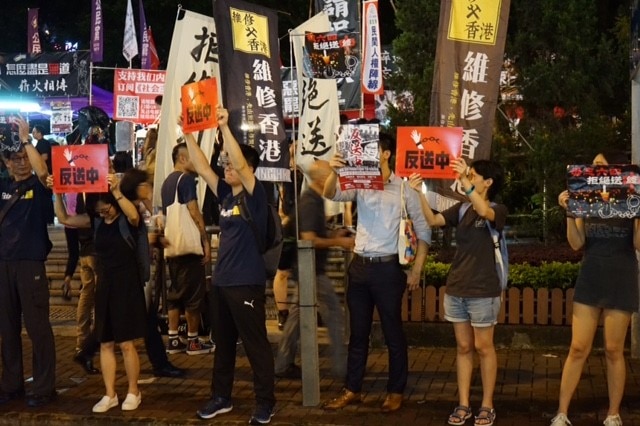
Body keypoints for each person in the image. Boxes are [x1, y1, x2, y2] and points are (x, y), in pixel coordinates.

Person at [322, 132, 431, 413]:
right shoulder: (360, 182)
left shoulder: (405, 189)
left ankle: (395, 391)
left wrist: (416, 270)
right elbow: (330, 193)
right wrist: (334, 172)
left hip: (388, 269)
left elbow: (424, 231)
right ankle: (352, 389)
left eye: (375, 151)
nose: (367, 156)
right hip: (358, 266)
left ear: (386, 154)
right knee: (357, 334)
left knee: (393, 333)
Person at [184, 107, 276, 424]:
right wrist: (187, 132)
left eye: (231, 164)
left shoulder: (255, 195)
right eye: (224, 163)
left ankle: (266, 402)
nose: (225, 167)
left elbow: (237, 161)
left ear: (248, 168)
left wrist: (225, 128)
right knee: (222, 346)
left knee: (255, 346)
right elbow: (200, 166)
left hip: (246, 283)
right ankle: (220, 397)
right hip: (222, 283)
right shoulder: (225, 195)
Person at [408, 158, 506, 426]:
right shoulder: (461, 209)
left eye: (473, 175)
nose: (467, 178)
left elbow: (485, 212)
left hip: (484, 289)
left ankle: (487, 405)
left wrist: (465, 184)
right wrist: (420, 193)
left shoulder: (497, 209)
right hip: (457, 288)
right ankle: (463, 404)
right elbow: (432, 220)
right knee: (463, 347)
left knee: (483, 347)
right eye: (468, 174)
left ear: (488, 183)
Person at [552, 153, 639, 426]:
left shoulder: (629, 198)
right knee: (578, 347)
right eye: (594, 167)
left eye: (603, 167)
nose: (597, 170)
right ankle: (562, 413)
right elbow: (576, 243)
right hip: (591, 275)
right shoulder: (585, 200)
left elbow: (638, 243)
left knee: (614, 350)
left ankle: (613, 414)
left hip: (621, 276)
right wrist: (569, 211)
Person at [274, 161, 354, 379]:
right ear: (321, 179)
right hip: (311, 271)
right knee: (335, 317)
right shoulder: (310, 202)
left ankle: (282, 364)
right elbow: (308, 239)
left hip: (307, 269)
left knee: (297, 317)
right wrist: (338, 242)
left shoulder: (313, 200)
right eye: (331, 175)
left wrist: (334, 235)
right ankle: (343, 368)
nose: (334, 180)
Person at [0, 117, 57, 407]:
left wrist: (26, 140)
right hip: (4, 266)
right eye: (16, 159)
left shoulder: (39, 186)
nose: (21, 163)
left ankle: (44, 388)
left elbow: (44, 169)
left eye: (25, 158)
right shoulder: (3, 189)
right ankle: (11, 385)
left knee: (38, 328)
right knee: (7, 329)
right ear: (6, 163)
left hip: (31, 265)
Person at [90, 178, 147, 412]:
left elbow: (134, 216)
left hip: (127, 284)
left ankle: (134, 390)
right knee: (105, 342)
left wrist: (116, 190)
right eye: (99, 208)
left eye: (107, 206)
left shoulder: (127, 219)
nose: (103, 211)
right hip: (105, 285)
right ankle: (110, 393)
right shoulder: (97, 223)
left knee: (126, 343)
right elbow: (65, 220)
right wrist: (60, 195)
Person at [161, 143, 213, 355]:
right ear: (183, 158)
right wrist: (205, 240)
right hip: (189, 247)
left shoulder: (166, 182)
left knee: (175, 293)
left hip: (172, 246)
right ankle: (193, 341)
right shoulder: (186, 179)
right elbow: (193, 211)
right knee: (193, 294)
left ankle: (173, 339)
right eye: (192, 157)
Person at [31, 125, 55, 225]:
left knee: (45, 196)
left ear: (39, 133)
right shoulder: (41, 143)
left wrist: (35, 162)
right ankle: (47, 218)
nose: (33, 134)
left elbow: (44, 157)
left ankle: (48, 218)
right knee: (44, 196)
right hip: (42, 173)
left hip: (45, 174)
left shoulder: (43, 143)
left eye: (34, 131)